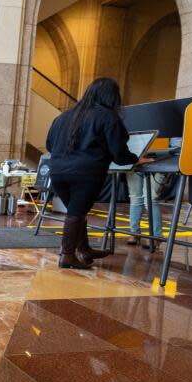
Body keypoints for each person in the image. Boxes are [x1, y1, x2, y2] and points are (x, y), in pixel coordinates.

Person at [46, 77, 140, 269]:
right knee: (76, 213)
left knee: (77, 211)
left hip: (56, 172)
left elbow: (49, 145)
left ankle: (85, 249)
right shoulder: (108, 117)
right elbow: (120, 155)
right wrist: (136, 159)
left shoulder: (62, 117)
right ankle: (67, 255)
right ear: (113, 97)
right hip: (85, 174)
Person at [125, 171, 164, 246]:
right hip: (135, 164)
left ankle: (156, 236)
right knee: (135, 199)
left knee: (150, 200)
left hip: (158, 163)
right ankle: (134, 233)